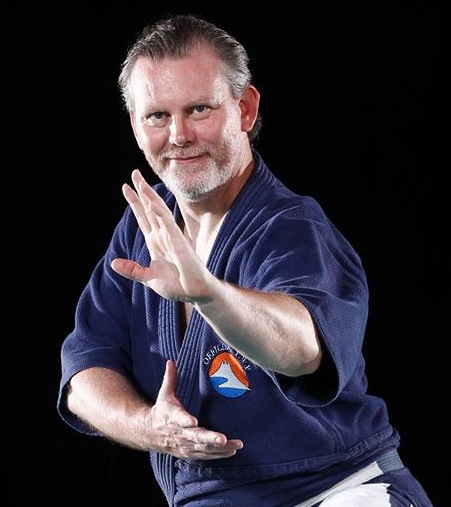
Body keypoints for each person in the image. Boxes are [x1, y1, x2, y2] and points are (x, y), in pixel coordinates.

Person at [57, 13, 433, 507]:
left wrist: (210, 295)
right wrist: (148, 426)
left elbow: (304, 347)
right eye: (157, 116)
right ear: (135, 125)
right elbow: (85, 372)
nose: (179, 134)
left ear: (246, 109)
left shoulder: (290, 228)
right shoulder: (144, 227)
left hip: (338, 489)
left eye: (199, 109)